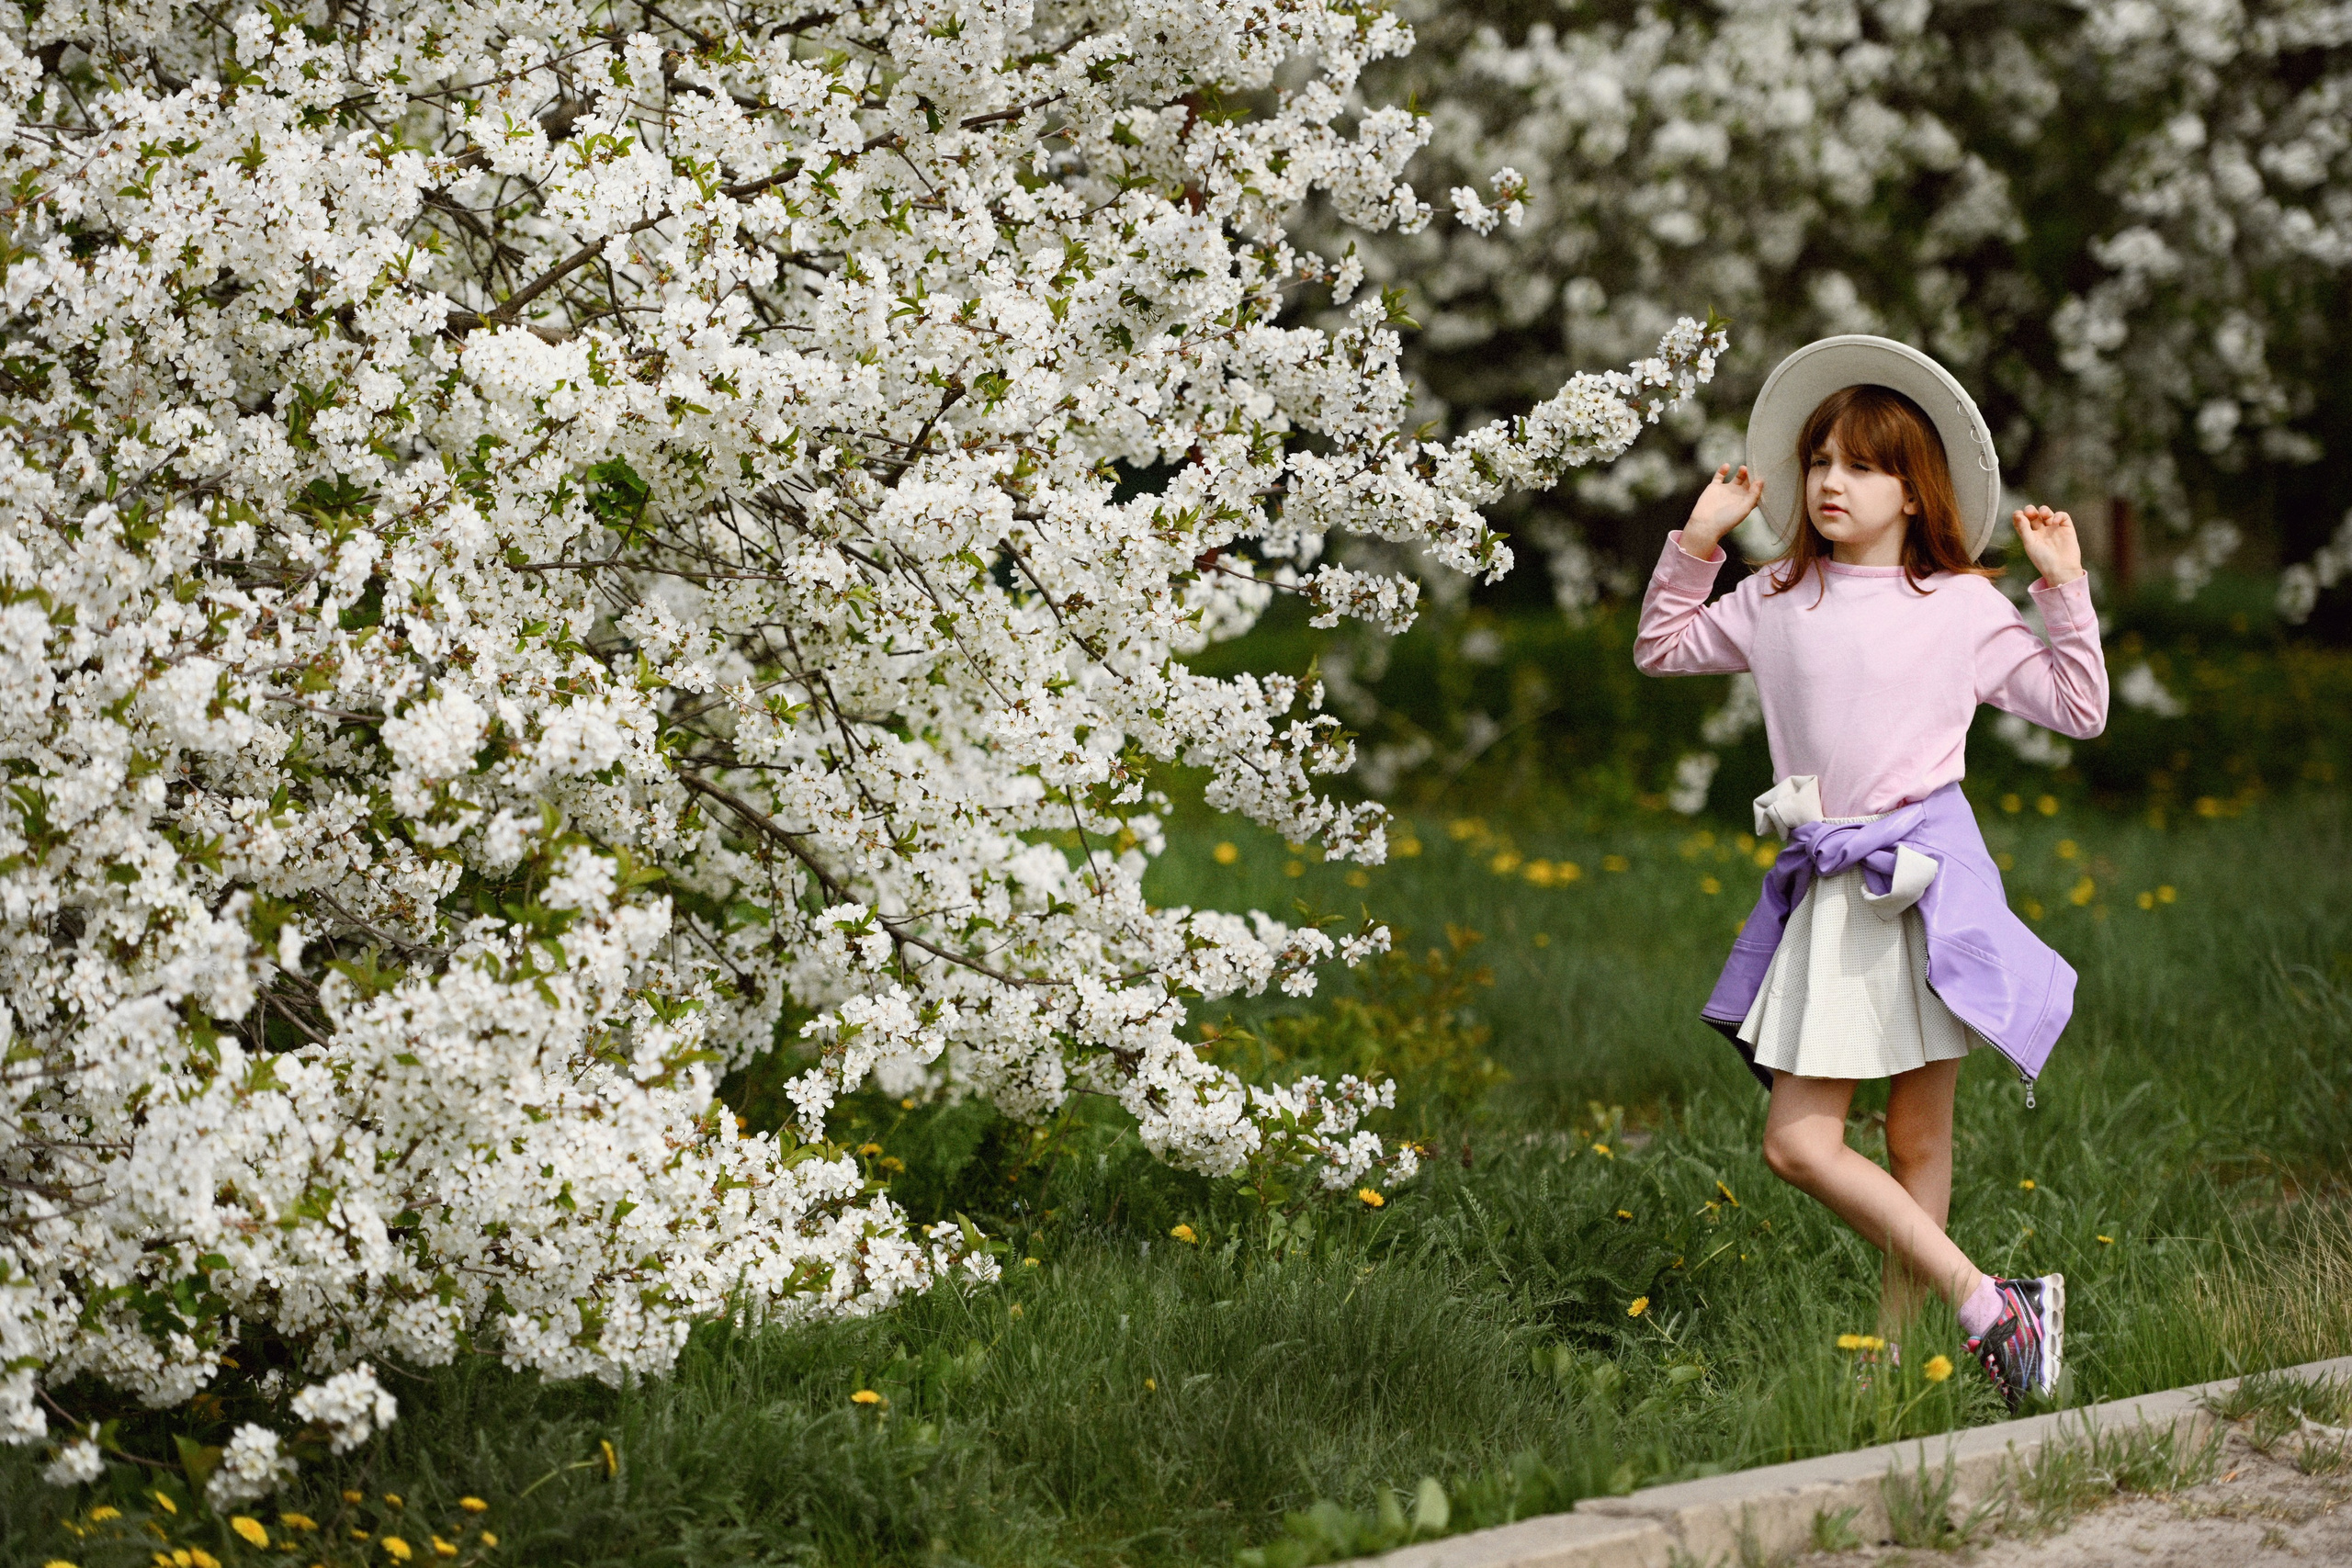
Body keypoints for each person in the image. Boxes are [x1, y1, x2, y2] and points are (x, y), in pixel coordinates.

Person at [1633, 335, 2109, 1411]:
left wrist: (2064, 590)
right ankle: (1990, 1306)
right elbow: (1660, 648)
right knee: (1799, 1143)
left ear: (1914, 488)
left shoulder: (1962, 606)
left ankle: (1905, 1358)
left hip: (1926, 883)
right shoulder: (1775, 593)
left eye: (1860, 465)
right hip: (1834, 893)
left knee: (1915, 1136)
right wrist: (1697, 542)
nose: (1830, 482)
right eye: (1819, 461)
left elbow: (2080, 709)